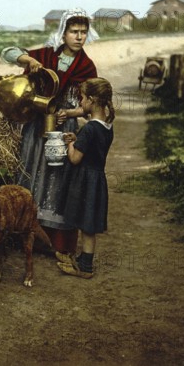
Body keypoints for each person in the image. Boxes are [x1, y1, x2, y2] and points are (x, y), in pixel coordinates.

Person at [0, 8, 99, 260]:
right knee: (30, 170)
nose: (79, 37)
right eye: (74, 32)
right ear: (63, 33)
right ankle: (21, 233)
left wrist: (73, 112)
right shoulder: (44, 55)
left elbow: (92, 105)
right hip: (35, 126)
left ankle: (54, 241)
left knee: (57, 177)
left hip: (63, 130)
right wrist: (27, 61)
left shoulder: (86, 67)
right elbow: (7, 52)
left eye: (83, 33)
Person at [57, 77, 115, 278]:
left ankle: (85, 268)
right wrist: (78, 139)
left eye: (81, 98)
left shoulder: (89, 128)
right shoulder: (107, 126)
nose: (80, 103)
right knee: (88, 225)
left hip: (85, 181)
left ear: (91, 100)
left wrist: (70, 144)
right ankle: (85, 261)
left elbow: (74, 159)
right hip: (97, 180)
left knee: (86, 225)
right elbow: (93, 148)